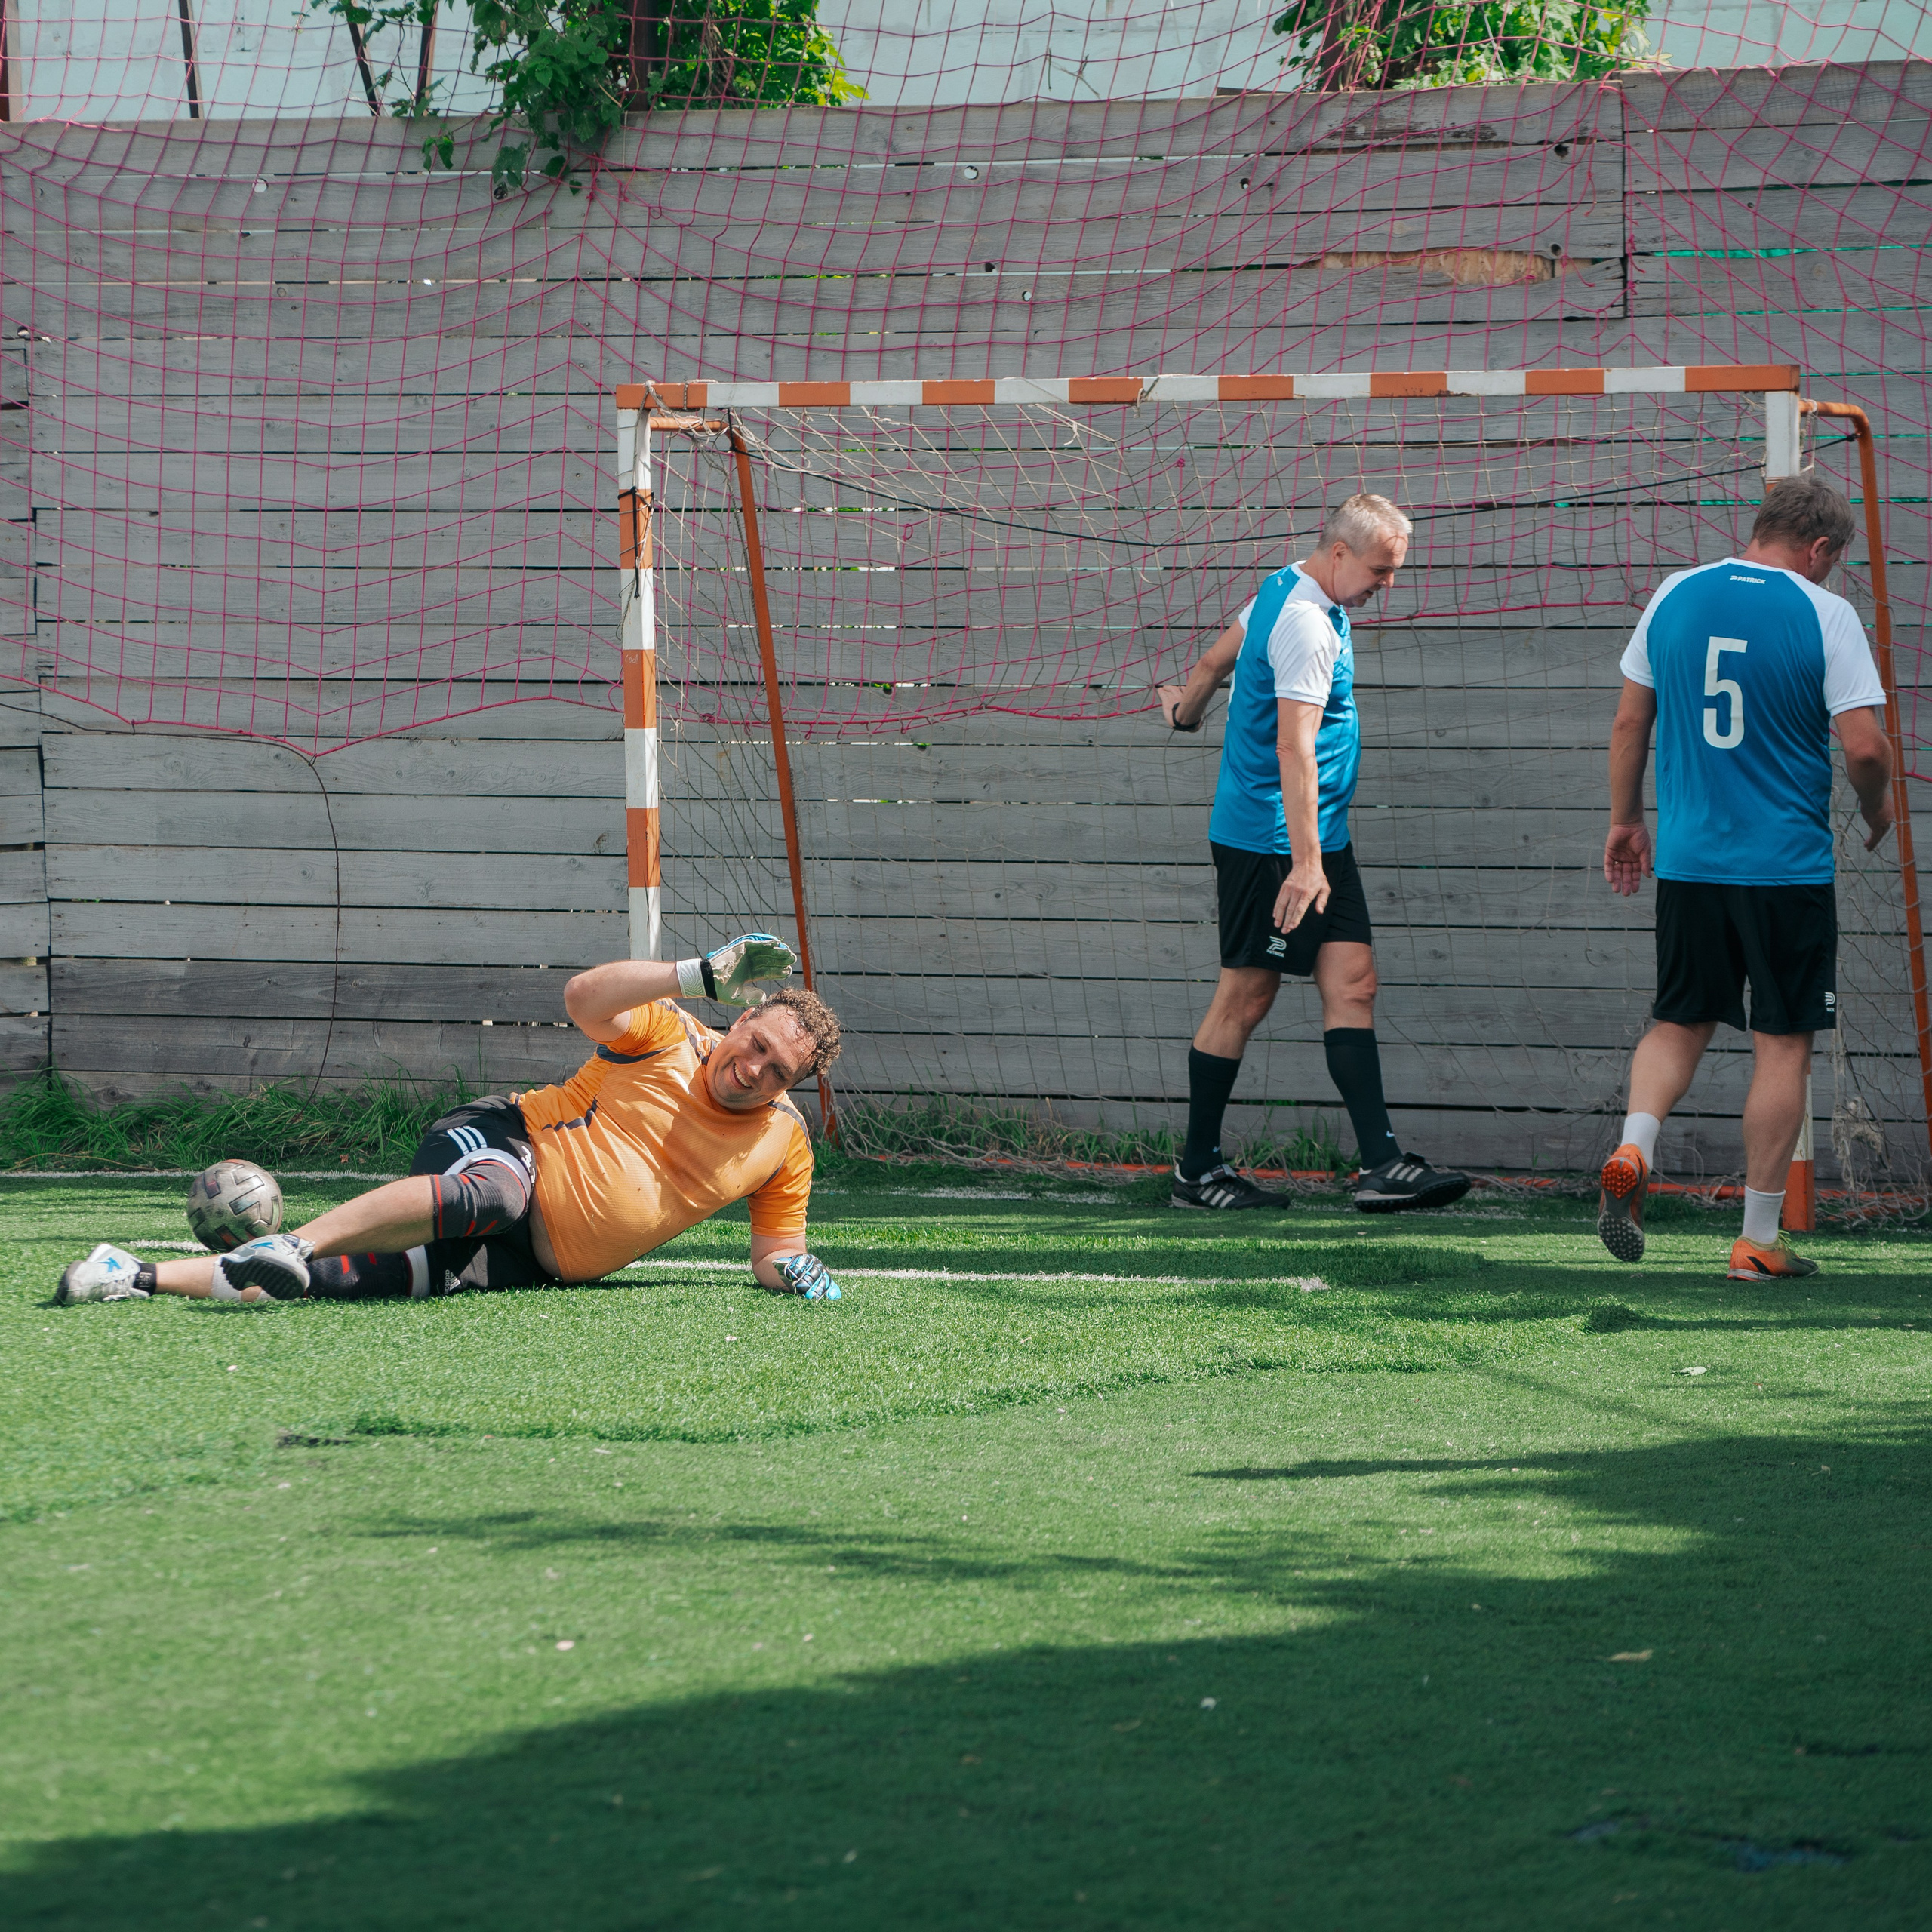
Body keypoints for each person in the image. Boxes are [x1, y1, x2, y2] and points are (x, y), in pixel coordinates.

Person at [56, 934, 850, 1306]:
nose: (753, 1068)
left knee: (355, 1282)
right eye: (755, 1043)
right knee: (492, 1194)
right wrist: (697, 974)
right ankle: (293, 1240)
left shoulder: (782, 1141)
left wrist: (799, 1272)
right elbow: (581, 998)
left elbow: (775, 1250)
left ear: (797, 1082)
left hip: (532, 1265)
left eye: (777, 1070)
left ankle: (128, 1274)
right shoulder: (672, 1033)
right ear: (742, 1020)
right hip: (506, 1145)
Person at [1596, 472, 1894, 1279]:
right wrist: (1876, 812)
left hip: (1689, 865)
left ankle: (1634, 1144)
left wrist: (1627, 821)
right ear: (1821, 547)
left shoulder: (1674, 593)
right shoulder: (1824, 613)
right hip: (1783, 870)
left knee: (1677, 1019)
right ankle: (1757, 1243)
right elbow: (1864, 748)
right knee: (1782, 1043)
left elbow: (1630, 719)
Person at [1158, 494, 1470, 1214]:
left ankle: (1382, 1166)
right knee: (1246, 995)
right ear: (1338, 552)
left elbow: (1213, 660)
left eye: (1395, 573)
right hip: (1271, 843)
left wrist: (1185, 713)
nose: (1386, 586)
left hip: (1319, 839)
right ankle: (1197, 1174)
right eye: (1379, 571)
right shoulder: (1306, 624)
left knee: (1354, 982)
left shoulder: (1284, 587)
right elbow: (1292, 747)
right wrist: (1304, 864)